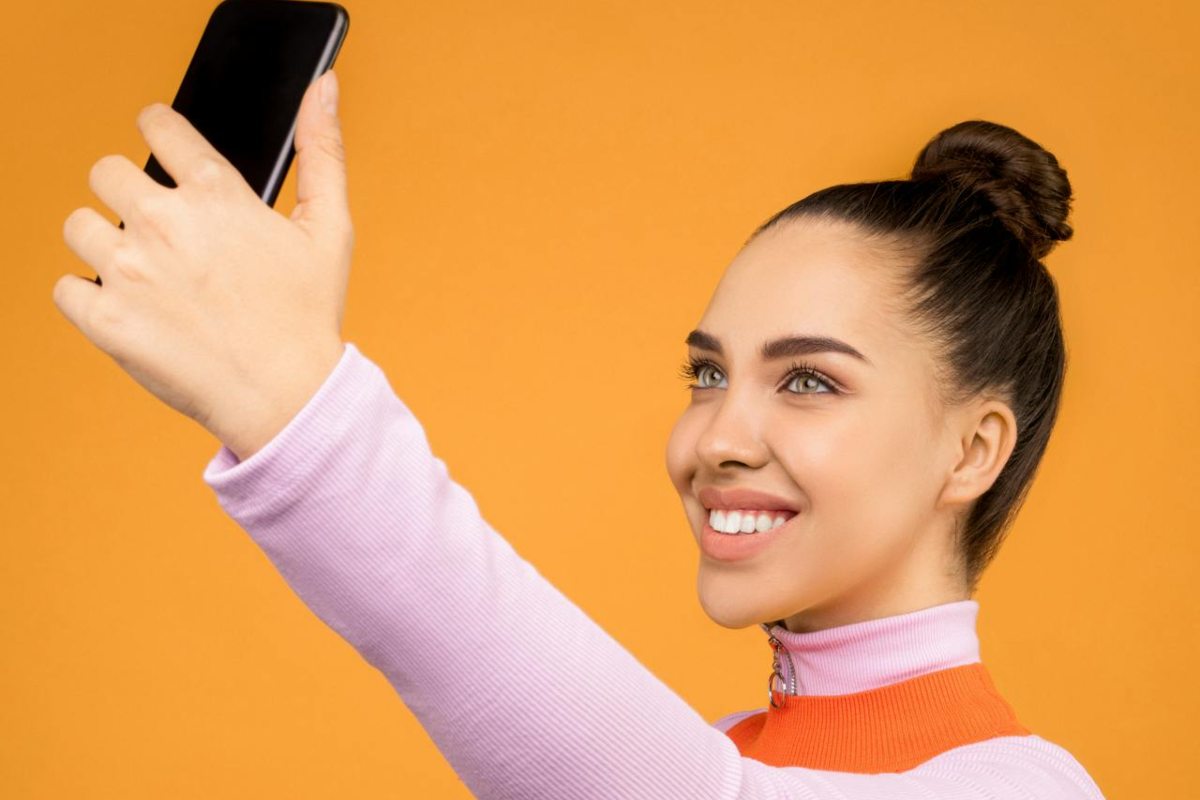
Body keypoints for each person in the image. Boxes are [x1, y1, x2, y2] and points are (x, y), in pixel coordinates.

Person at [54, 70, 1106, 797]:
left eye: (809, 379)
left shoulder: (1020, 784)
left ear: (973, 449)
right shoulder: (729, 750)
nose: (718, 437)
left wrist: (299, 402)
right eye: (709, 372)